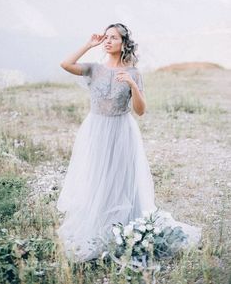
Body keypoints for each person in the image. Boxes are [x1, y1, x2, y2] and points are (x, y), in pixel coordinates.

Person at [56, 23, 202, 262]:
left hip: (122, 130)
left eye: (114, 38)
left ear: (124, 43)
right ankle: (99, 224)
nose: (108, 41)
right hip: (96, 129)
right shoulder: (94, 69)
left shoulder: (133, 73)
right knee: (97, 176)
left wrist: (133, 85)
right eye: (107, 37)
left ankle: (124, 227)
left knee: (121, 178)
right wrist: (89, 44)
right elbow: (65, 64)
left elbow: (141, 111)